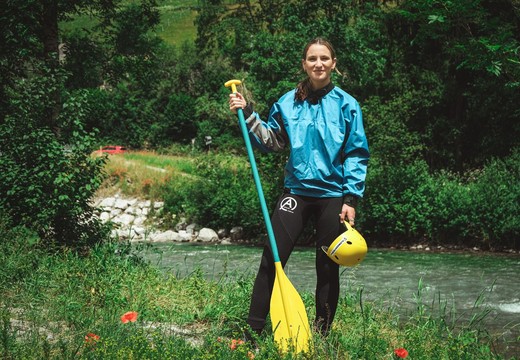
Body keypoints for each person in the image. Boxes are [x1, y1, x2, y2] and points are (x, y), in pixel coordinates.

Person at [228, 37, 369, 338]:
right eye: (312, 59)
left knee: (327, 267)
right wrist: (249, 114)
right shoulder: (288, 101)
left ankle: (321, 335)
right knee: (272, 257)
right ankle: (251, 334)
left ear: (334, 64)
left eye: (324, 58)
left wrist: (351, 197)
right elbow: (273, 141)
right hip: (296, 192)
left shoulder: (348, 105)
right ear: (304, 64)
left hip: (333, 197)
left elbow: (356, 153)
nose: (318, 64)